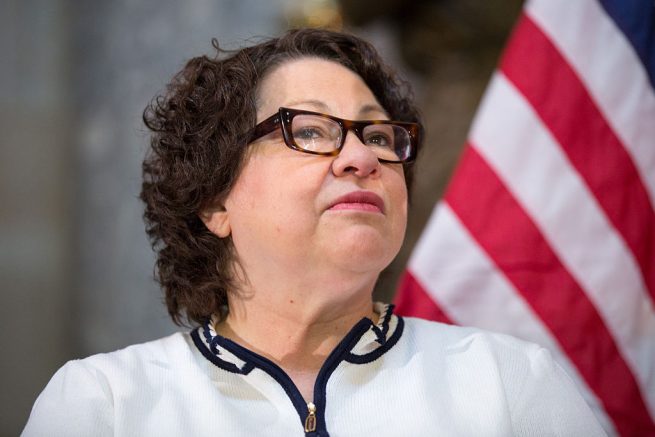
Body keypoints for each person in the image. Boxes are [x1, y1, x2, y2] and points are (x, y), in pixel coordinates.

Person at [22, 28, 606, 436]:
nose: (361, 157)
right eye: (310, 130)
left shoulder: (507, 384)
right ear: (214, 199)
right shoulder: (107, 405)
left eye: (378, 136)